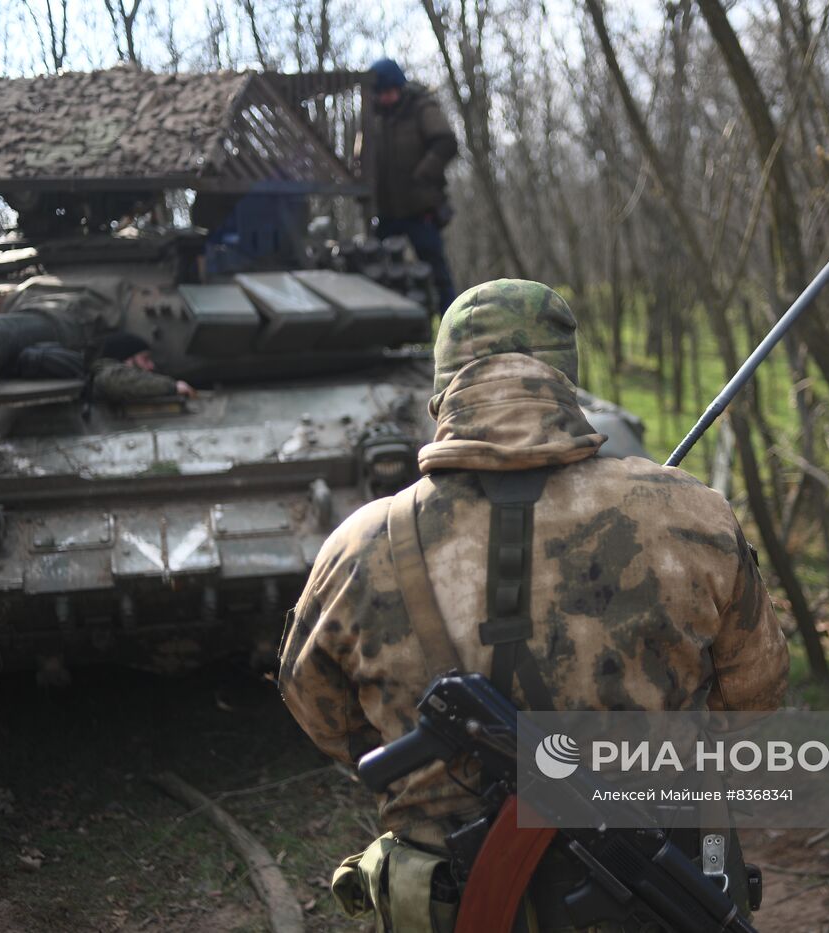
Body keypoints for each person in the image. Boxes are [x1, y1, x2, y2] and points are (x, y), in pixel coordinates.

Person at [278, 279, 789, 930]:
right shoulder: (689, 513)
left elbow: (322, 715)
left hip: (455, 897)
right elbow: (754, 698)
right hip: (663, 875)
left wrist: (441, 782)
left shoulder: (358, 546)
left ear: (443, 389)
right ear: (566, 379)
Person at [368, 57, 459, 310]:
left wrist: (423, 174)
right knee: (379, 272)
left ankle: (451, 332)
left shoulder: (421, 106)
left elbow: (446, 142)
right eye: (380, 93)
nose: (385, 97)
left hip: (421, 209)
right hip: (387, 212)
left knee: (437, 274)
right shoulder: (373, 118)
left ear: (399, 87)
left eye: (389, 91)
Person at [91, 332, 196, 402]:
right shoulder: (107, 375)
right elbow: (116, 380)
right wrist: (172, 386)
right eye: (145, 359)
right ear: (127, 360)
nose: (151, 365)